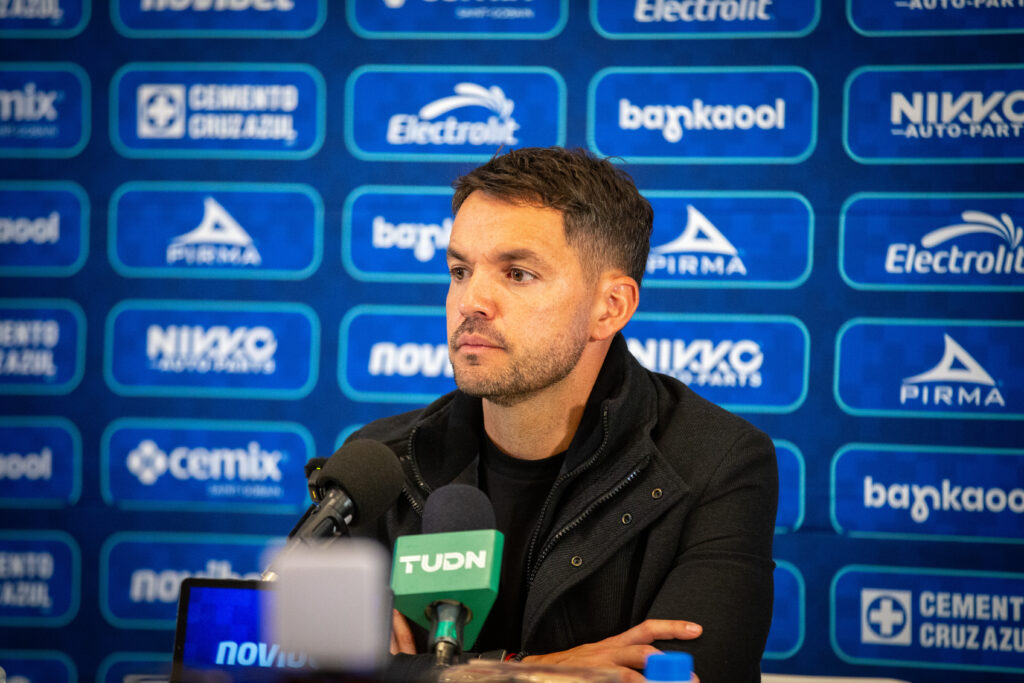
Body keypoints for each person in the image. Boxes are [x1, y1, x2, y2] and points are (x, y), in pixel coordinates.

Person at [350, 147, 777, 682]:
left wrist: (427, 672)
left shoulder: (716, 462)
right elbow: (311, 664)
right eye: (460, 270)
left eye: (518, 273)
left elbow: (680, 676)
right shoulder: (380, 463)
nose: (471, 301)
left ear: (611, 308)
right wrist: (536, 670)